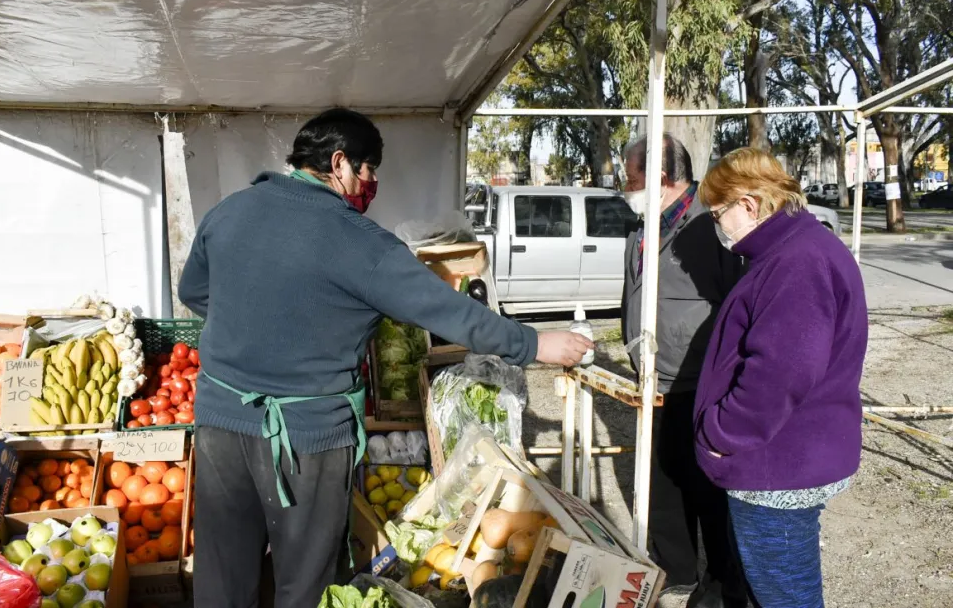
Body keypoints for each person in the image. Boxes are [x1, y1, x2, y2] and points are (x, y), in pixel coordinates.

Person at [177, 108, 592, 607]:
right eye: (370, 170)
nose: (371, 184)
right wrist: (535, 344)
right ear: (339, 163)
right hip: (306, 435)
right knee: (305, 581)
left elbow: (196, 292)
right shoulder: (358, 242)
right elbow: (448, 311)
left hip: (221, 419)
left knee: (221, 574)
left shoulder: (230, 210)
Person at [695, 148, 868, 608]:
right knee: (771, 590)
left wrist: (721, 432)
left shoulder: (796, 261)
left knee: (785, 597)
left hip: (779, 468)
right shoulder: (794, 249)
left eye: (718, 214)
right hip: (786, 457)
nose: (719, 226)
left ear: (748, 205)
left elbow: (782, 371)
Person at [620, 134, 746, 608]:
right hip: (653, 380)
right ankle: (675, 571)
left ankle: (722, 582)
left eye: (631, 177)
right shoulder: (642, 226)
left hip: (697, 383)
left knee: (706, 488)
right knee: (663, 480)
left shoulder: (710, 227)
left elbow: (734, 304)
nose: (625, 186)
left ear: (662, 178)